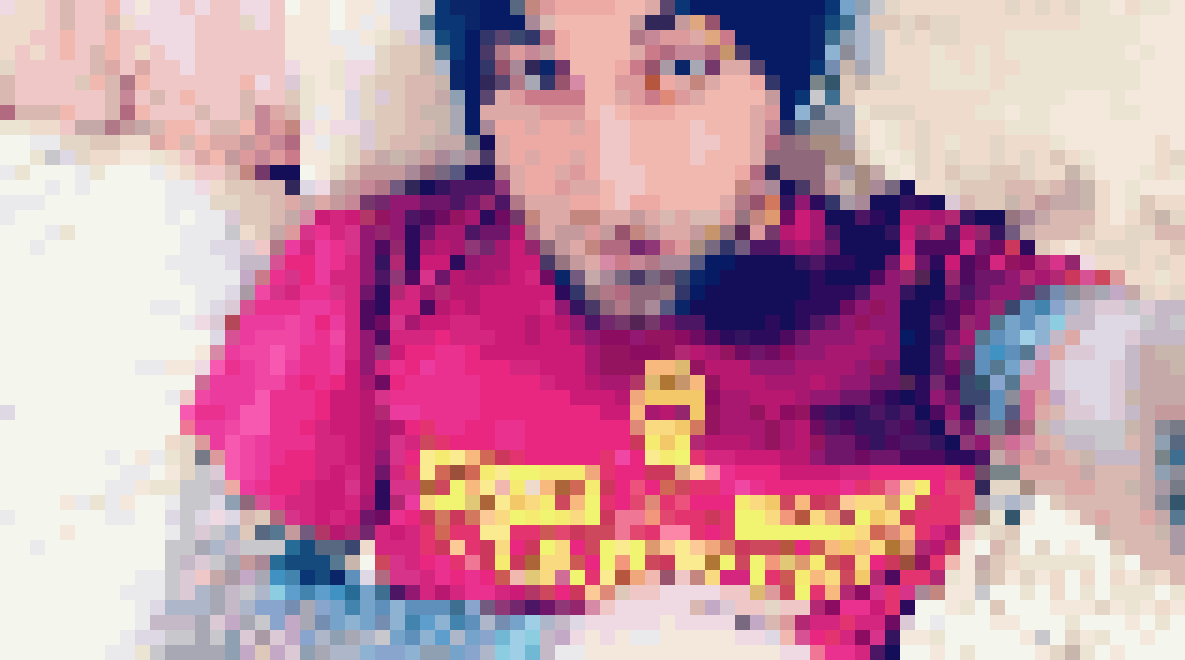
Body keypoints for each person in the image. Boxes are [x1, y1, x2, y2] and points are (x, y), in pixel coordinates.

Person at [182, 1, 1120, 659]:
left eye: (678, 68)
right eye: (538, 75)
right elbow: (211, 618)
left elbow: (1108, 387)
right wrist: (543, 652)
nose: (610, 181)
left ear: (781, 85)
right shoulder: (376, 272)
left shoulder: (926, 289)